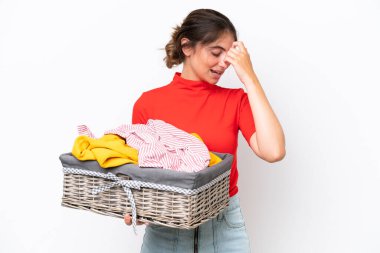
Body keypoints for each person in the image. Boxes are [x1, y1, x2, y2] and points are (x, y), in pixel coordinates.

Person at [124, 8, 286, 253]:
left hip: (224, 229)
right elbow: (139, 176)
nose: (224, 64)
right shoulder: (148, 104)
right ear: (187, 47)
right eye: (216, 53)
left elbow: (273, 151)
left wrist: (249, 77)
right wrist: (139, 210)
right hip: (166, 230)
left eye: (229, 57)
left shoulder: (236, 101)